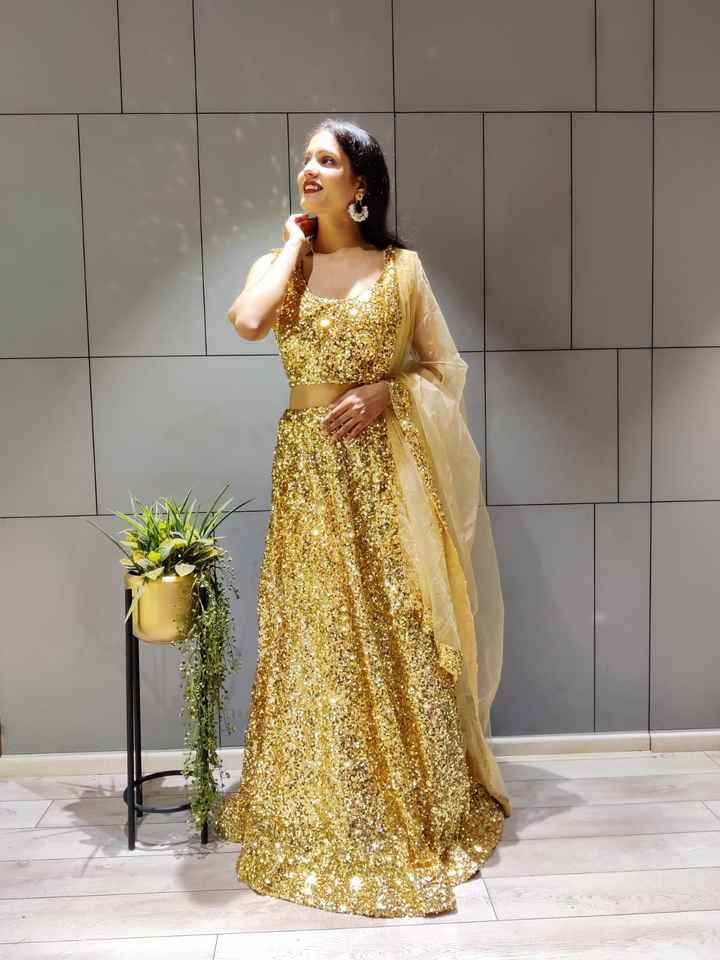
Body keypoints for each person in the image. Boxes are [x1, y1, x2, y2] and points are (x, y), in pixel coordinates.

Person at [214, 118, 512, 918]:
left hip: (385, 475)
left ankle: (413, 801)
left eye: (327, 159)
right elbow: (248, 322)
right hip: (309, 476)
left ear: (362, 184)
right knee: (317, 634)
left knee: (394, 627)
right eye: (305, 159)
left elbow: (444, 370)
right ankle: (320, 803)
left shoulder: (400, 270)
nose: (308, 169)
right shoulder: (281, 266)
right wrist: (293, 243)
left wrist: (390, 391)